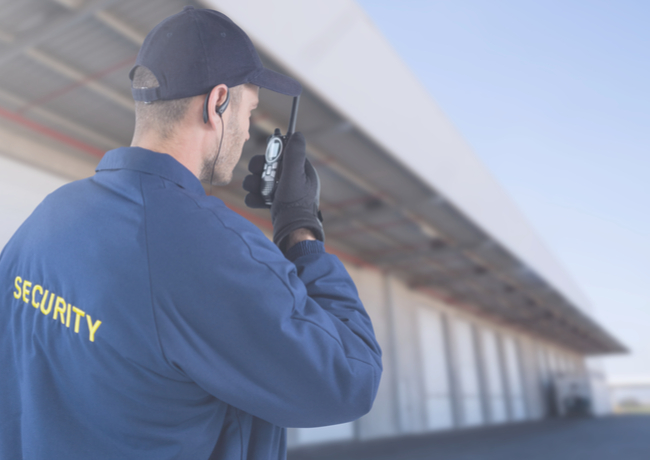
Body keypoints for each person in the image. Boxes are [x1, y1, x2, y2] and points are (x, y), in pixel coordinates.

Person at [0, 7, 382, 460]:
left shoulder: (49, 215)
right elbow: (351, 380)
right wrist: (300, 229)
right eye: (249, 111)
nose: (244, 134)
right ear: (217, 102)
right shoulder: (211, 250)